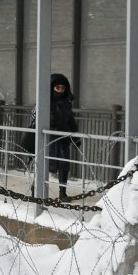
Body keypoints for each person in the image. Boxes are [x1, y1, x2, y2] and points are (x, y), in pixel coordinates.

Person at [23, 73, 80, 201]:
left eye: (63, 88)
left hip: (62, 139)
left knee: (64, 166)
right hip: (47, 139)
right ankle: (35, 189)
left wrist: (76, 136)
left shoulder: (66, 103)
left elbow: (70, 120)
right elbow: (35, 120)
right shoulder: (43, 103)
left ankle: (62, 193)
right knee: (42, 165)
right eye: (57, 88)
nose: (60, 91)